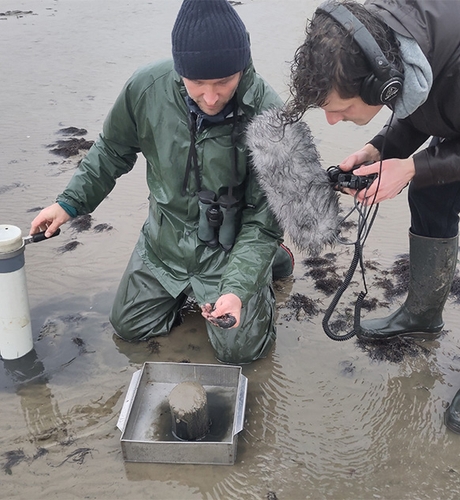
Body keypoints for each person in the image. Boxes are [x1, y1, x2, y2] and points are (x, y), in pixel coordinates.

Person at [30, 0, 294, 365]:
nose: (212, 96)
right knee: (128, 327)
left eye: (224, 82)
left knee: (243, 352)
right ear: (179, 69)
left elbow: (265, 224)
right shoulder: (146, 88)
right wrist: (69, 203)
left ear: (243, 67)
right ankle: (195, 283)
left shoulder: (270, 117)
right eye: (197, 83)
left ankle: (269, 267)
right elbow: (111, 151)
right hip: (164, 243)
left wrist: (235, 290)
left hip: (231, 249)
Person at [285, 0, 460, 434]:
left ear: (376, 86)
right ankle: (422, 315)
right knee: (431, 197)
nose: (331, 120)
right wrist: (381, 149)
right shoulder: (391, 41)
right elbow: (423, 99)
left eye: (338, 108)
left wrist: (412, 167)